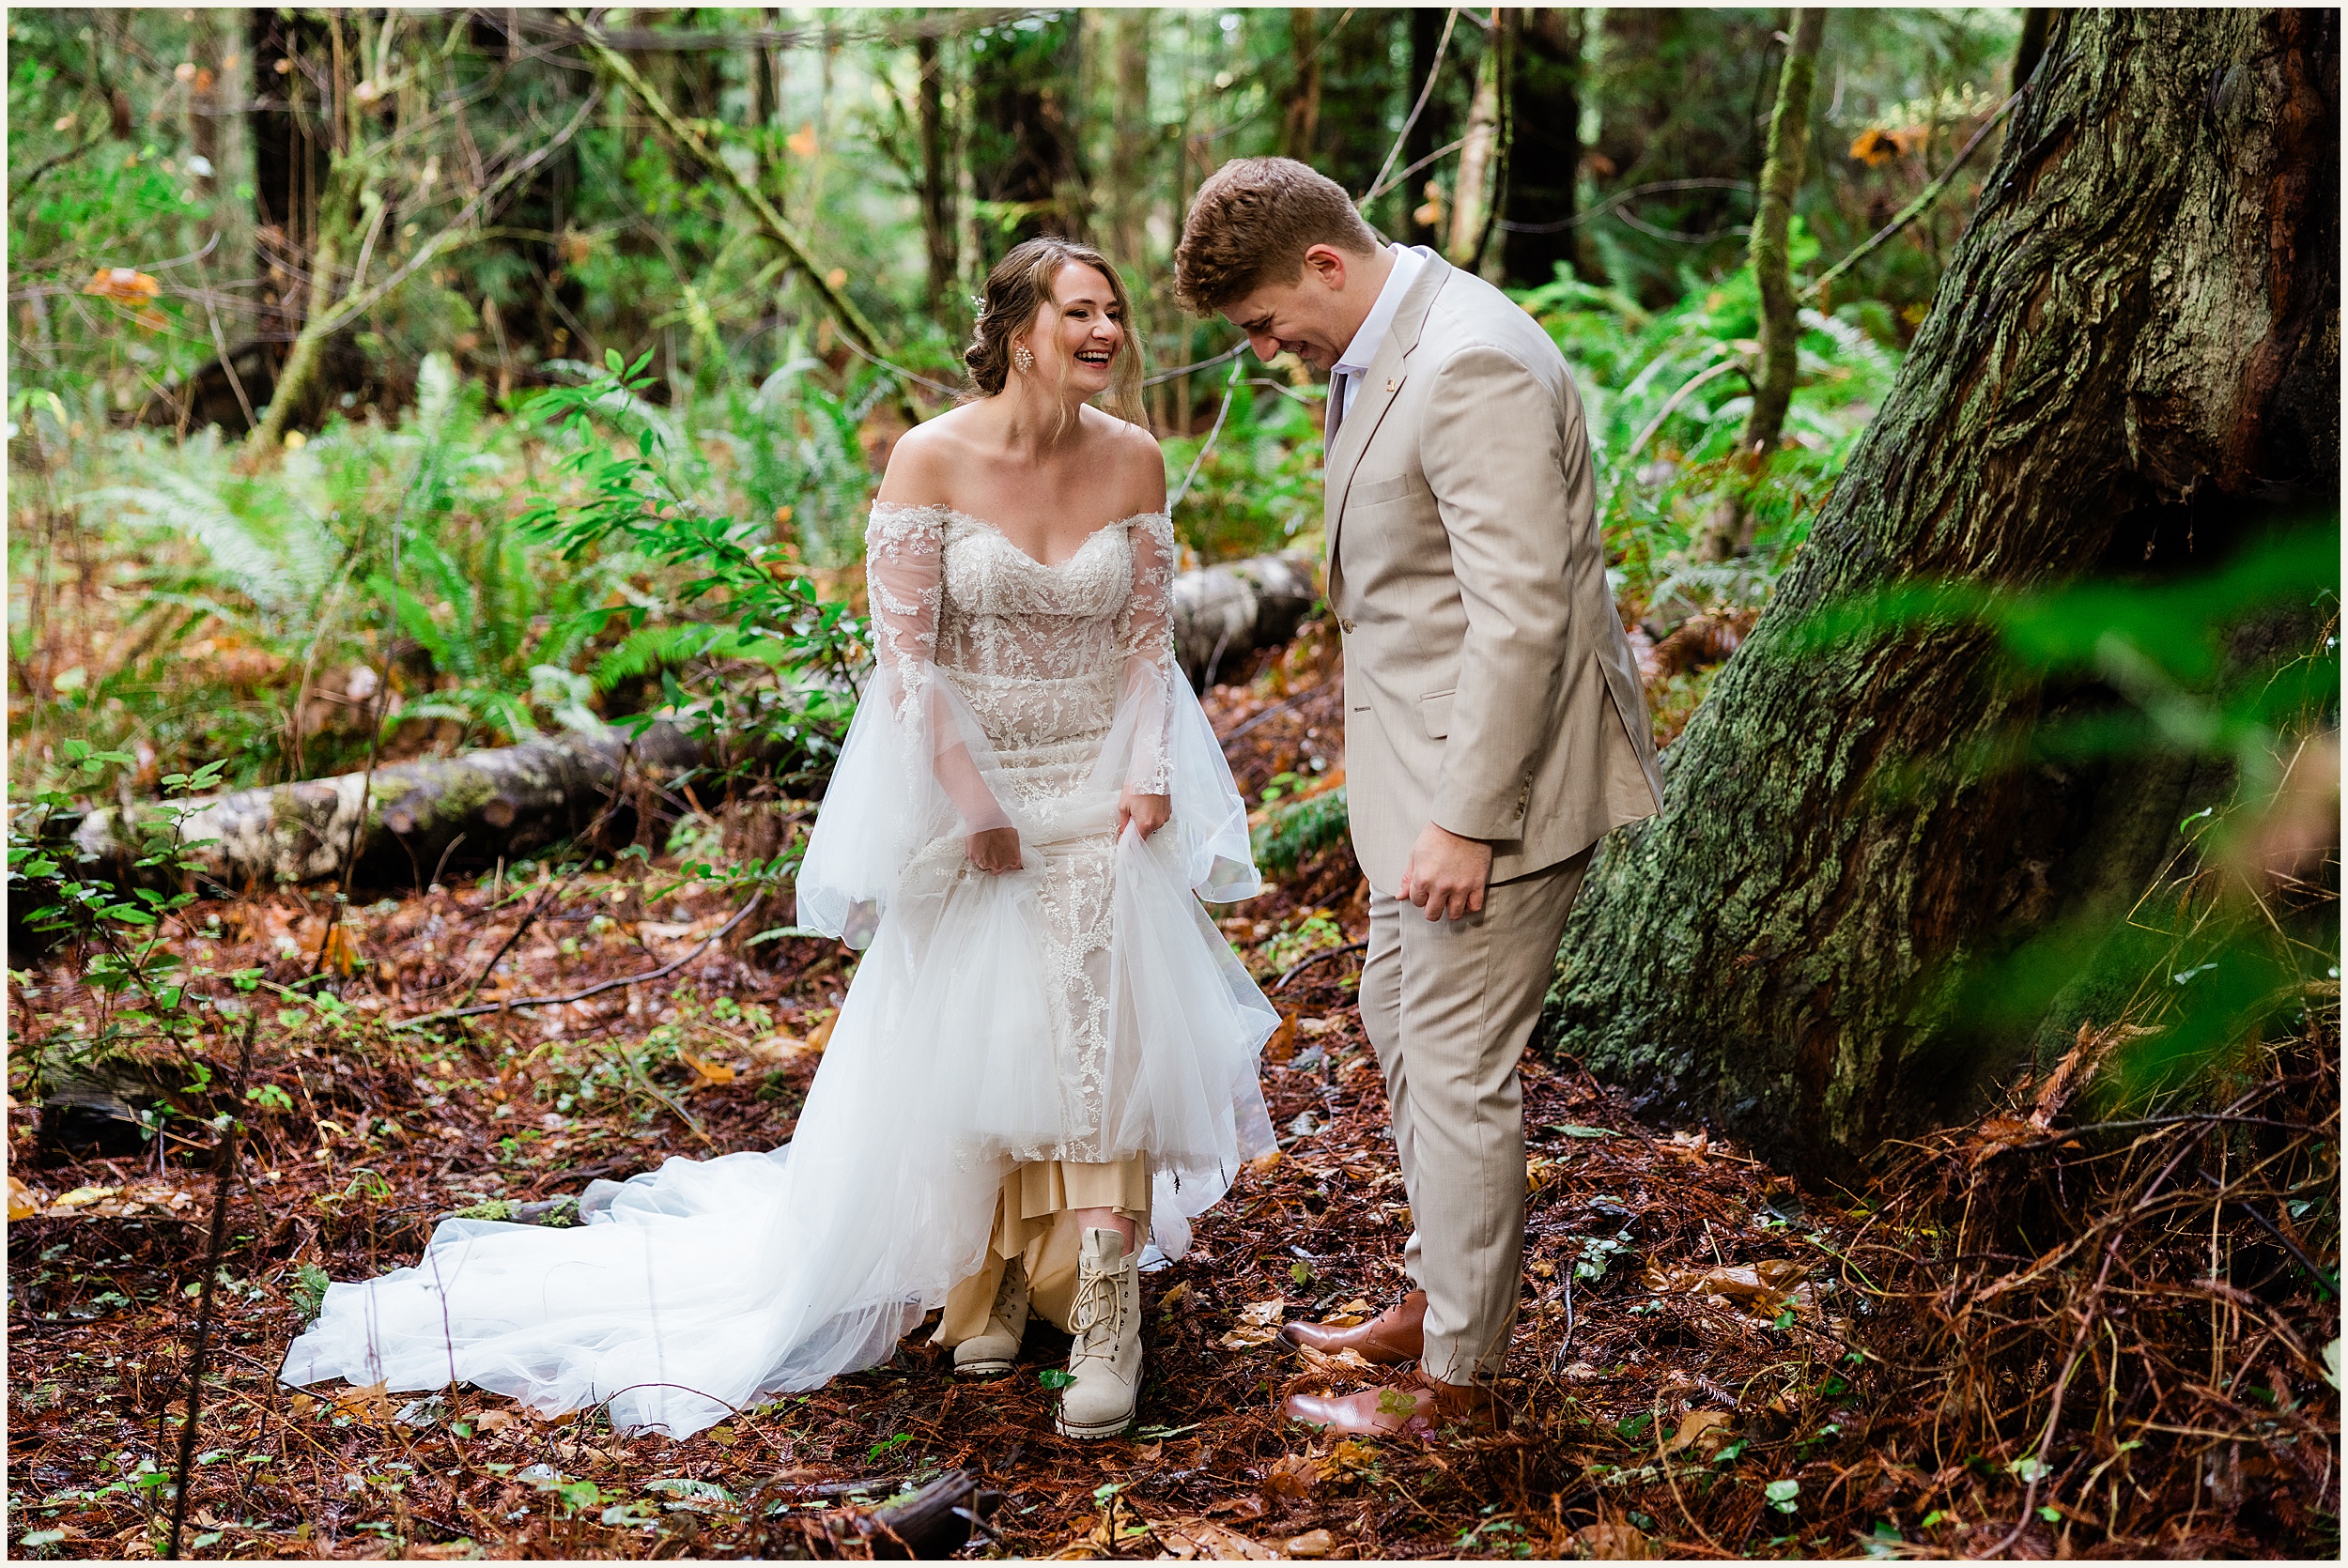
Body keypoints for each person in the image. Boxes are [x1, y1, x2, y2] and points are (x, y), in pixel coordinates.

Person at [282, 238, 1278, 1442]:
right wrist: (973, 806)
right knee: (992, 1034)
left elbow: (1144, 647)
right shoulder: (931, 456)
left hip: (1097, 791)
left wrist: (1152, 775)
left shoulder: (1135, 458)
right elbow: (906, 661)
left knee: (1103, 1031)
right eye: (1082, 312)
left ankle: (1107, 1305)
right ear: (1023, 334)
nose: (1109, 330)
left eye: (1115, 312)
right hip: (981, 792)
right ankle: (998, 1269)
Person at [1175, 158, 1662, 1437]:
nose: (1267, 348)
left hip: (1494, 787)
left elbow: (1523, 613)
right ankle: (1440, 1289)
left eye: (1265, 321)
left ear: (1323, 265)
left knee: (1451, 1063)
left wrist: (1466, 818)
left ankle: (1462, 1385)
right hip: (1419, 776)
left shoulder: (1469, 364)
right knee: (1398, 1012)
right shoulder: (1384, 341)